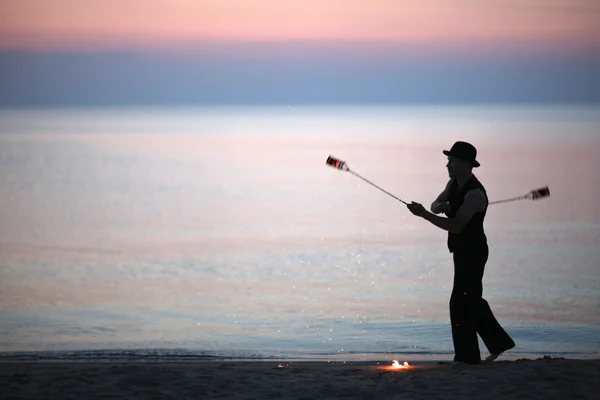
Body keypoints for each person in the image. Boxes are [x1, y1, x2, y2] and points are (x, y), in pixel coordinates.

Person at [406, 141, 515, 365]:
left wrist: (425, 215)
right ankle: (494, 345)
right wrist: (440, 207)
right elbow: (437, 204)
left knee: (461, 302)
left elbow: (456, 226)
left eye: (452, 161)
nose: (448, 164)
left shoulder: (475, 194)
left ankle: (468, 358)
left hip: (474, 251)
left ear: (466, 164)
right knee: (469, 301)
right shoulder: (453, 183)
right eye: (448, 160)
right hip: (460, 250)